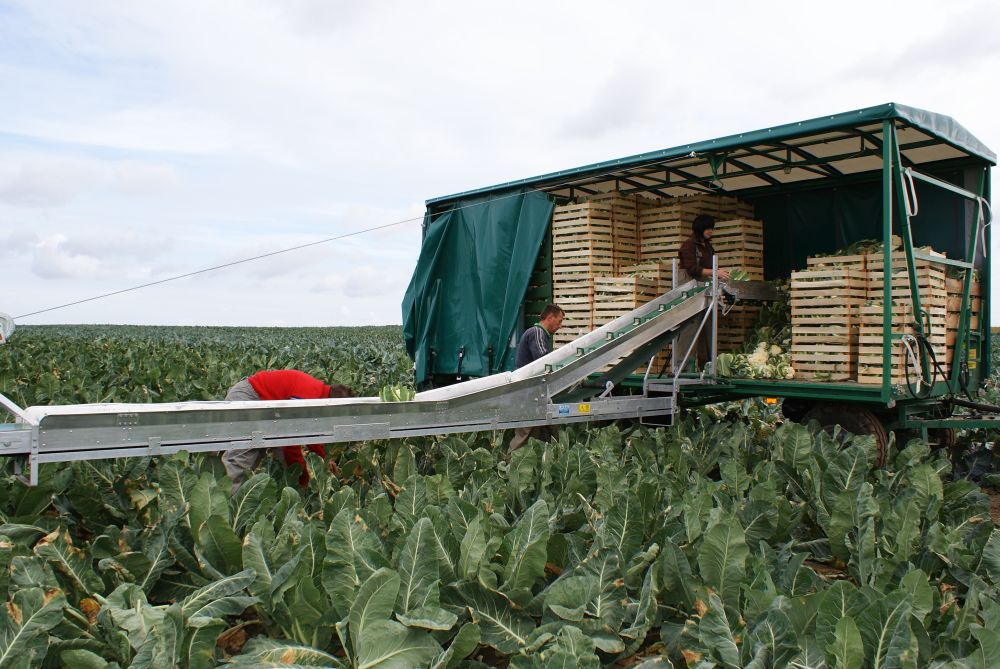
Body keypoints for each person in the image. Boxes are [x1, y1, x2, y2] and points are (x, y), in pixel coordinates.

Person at [221, 370, 354, 493]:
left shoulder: (318, 395)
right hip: (249, 397)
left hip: (267, 408)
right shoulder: (307, 397)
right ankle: (226, 506)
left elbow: (312, 436)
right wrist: (304, 479)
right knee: (242, 457)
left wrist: (324, 460)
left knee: (271, 459)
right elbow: (290, 443)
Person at [675, 215, 731, 370]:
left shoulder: (707, 246)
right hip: (691, 292)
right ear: (700, 229)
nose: (710, 231)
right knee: (690, 328)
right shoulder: (688, 245)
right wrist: (715, 272)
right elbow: (692, 269)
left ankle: (707, 365)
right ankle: (682, 367)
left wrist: (718, 274)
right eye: (708, 228)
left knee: (708, 327)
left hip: (706, 291)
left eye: (712, 228)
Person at [508, 304, 564, 454]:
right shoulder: (537, 333)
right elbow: (544, 362)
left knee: (545, 433)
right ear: (550, 317)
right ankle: (509, 468)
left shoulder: (539, 334)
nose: (560, 326)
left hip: (535, 394)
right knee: (524, 434)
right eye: (559, 321)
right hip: (528, 394)